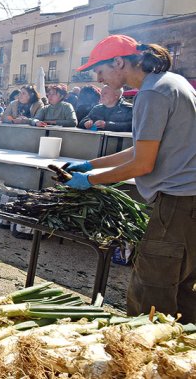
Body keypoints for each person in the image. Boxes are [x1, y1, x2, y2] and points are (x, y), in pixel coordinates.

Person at [63, 34, 196, 322]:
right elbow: (142, 148)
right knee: (183, 288)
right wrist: (90, 165)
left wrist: (91, 181)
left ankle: (145, 355)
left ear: (119, 62)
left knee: (150, 290)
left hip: (179, 203)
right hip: (188, 201)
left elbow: (143, 164)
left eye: (99, 70)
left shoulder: (152, 93)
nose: (98, 79)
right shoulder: (171, 82)